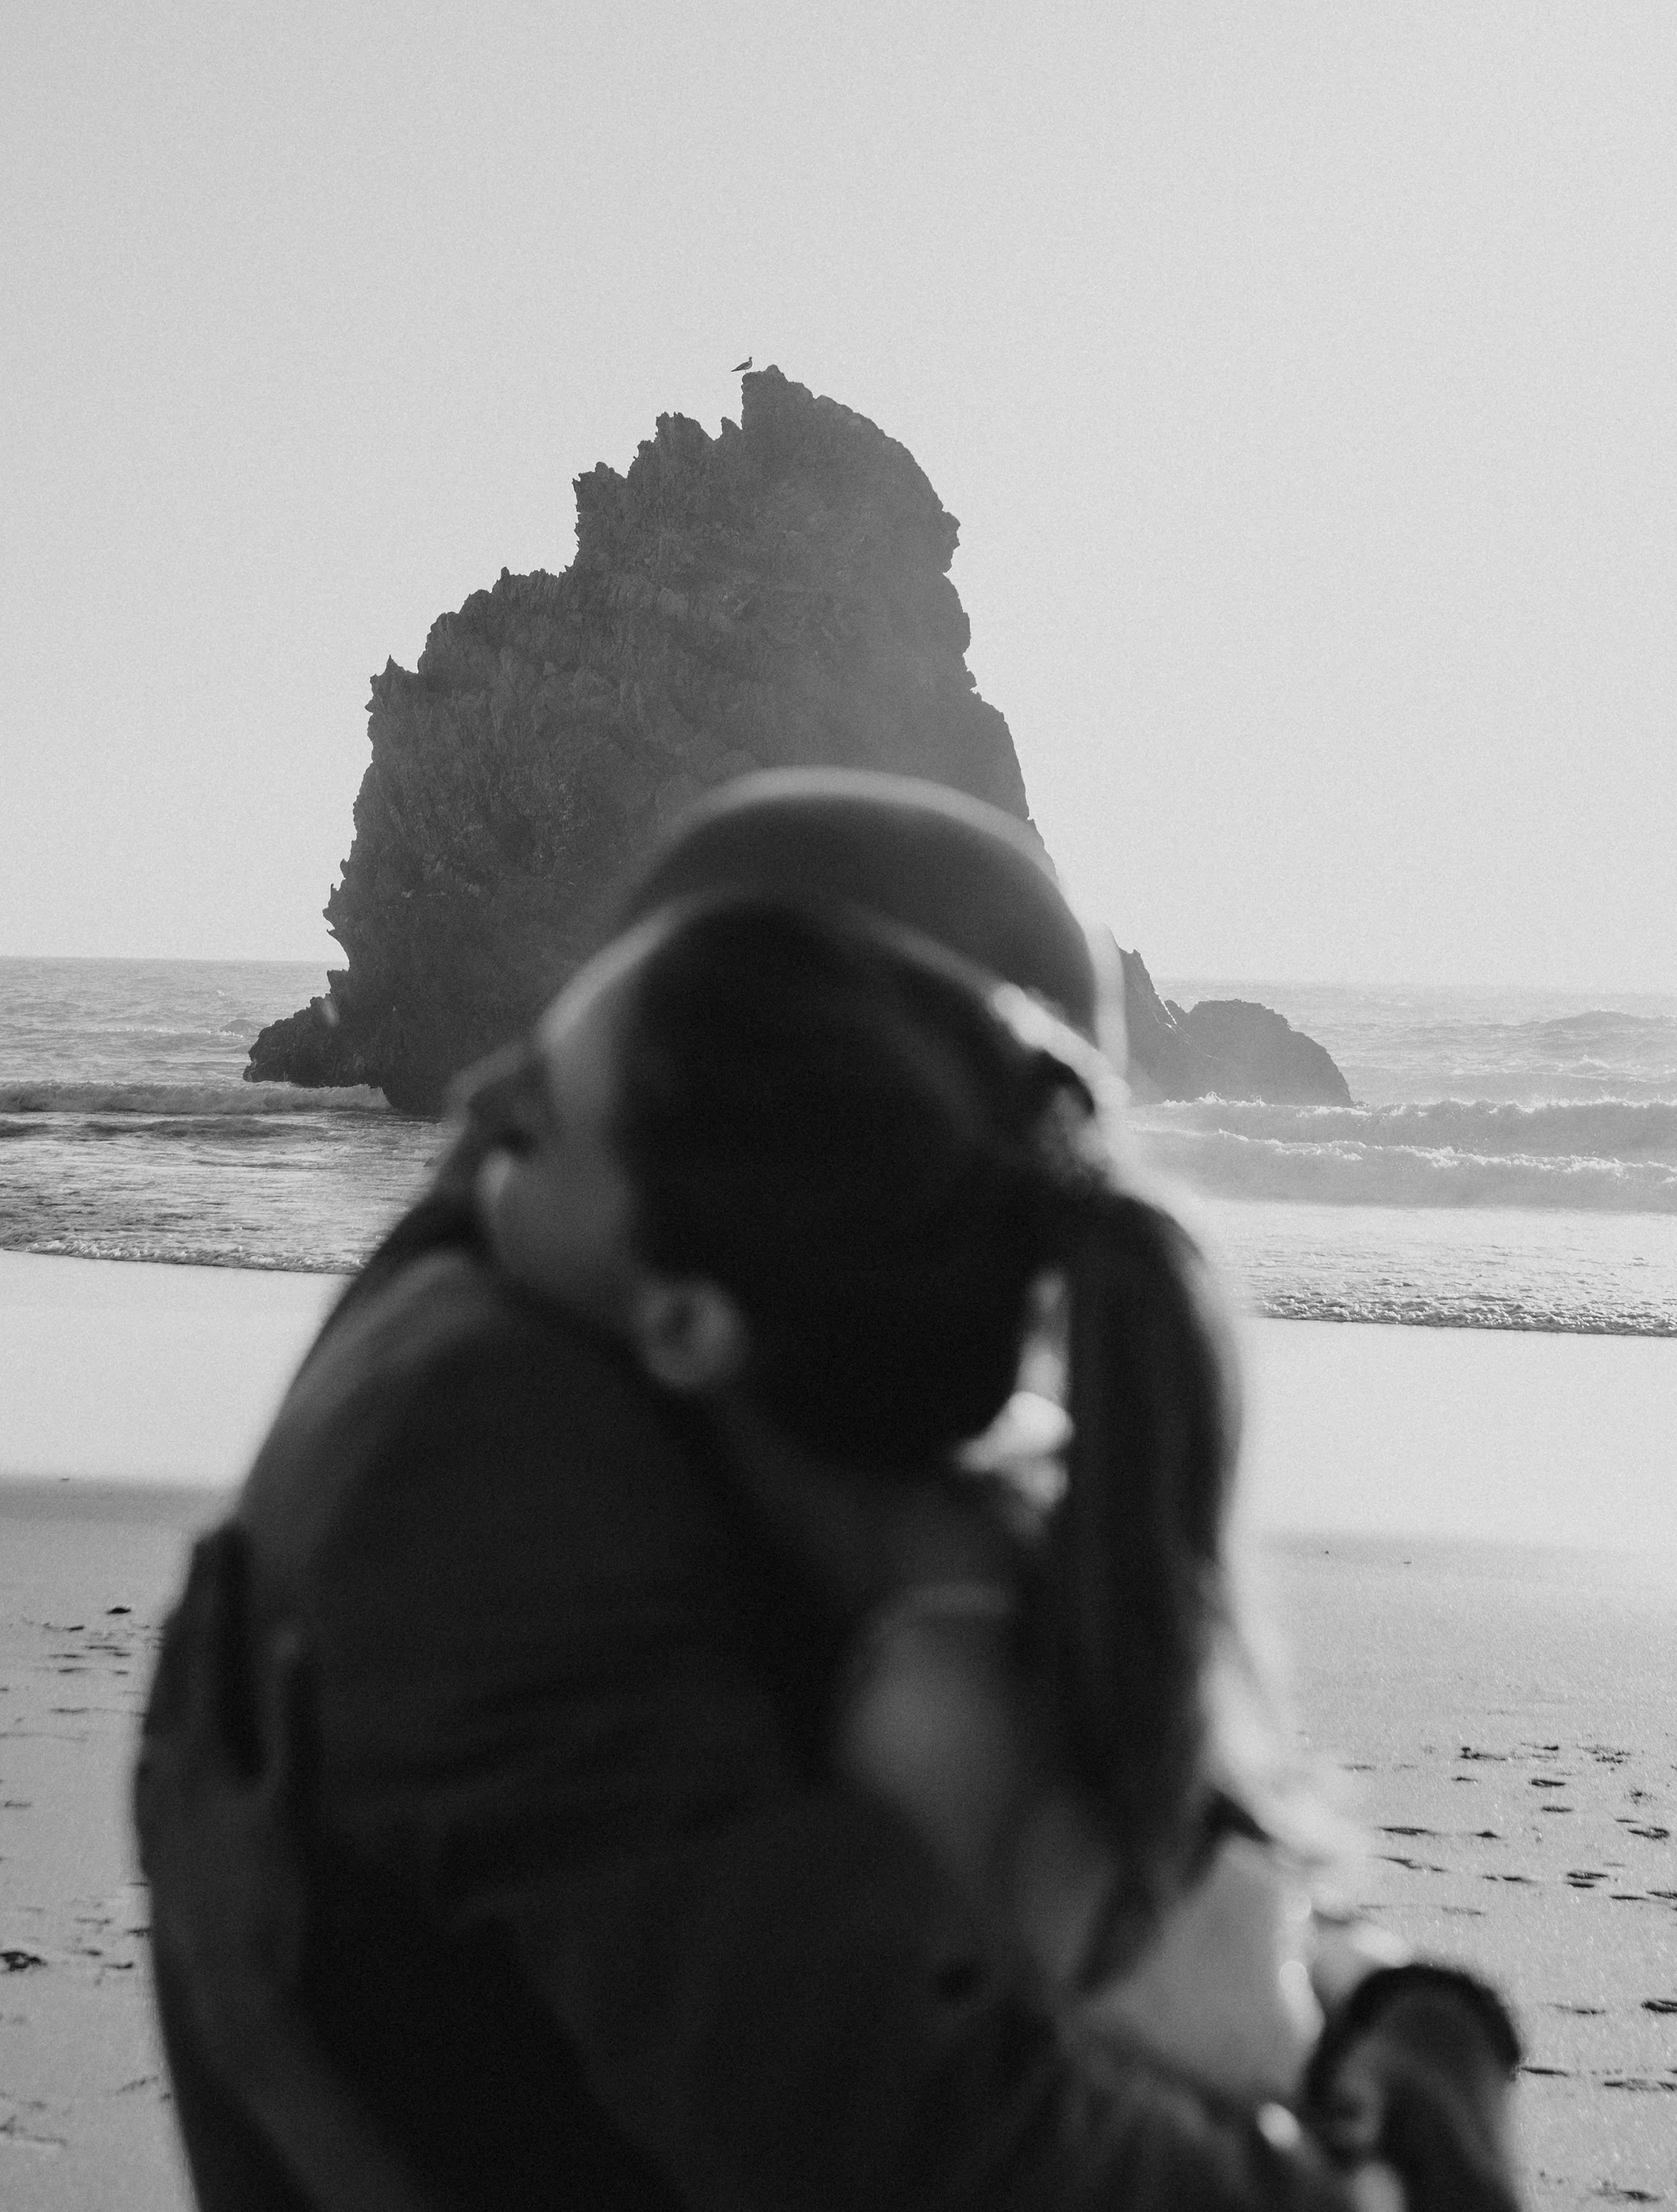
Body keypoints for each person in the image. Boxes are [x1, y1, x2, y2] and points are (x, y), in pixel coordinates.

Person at [138, 773, 1522, 2212]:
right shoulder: (484, 1440)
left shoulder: (644, 1329)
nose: (484, 1102)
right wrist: (1394, 2114)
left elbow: (1165, 1827)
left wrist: (1383, 2004)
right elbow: (892, 2121)